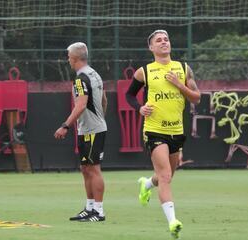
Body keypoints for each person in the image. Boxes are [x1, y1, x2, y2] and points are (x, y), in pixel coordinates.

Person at [125, 29, 201, 238]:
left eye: (166, 39)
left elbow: (196, 98)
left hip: (176, 131)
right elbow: (129, 95)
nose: (163, 42)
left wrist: (178, 84)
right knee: (165, 175)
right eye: (158, 40)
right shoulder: (145, 71)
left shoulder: (183, 68)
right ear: (151, 47)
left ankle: (146, 184)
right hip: (154, 130)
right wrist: (139, 108)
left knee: (166, 176)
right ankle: (173, 222)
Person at [54, 42, 108, 222]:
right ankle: (89, 207)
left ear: (75, 58)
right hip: (91, 128)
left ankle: (99, 211)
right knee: (85, 168)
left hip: (91, 130)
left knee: (93, 169)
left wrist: (65, 125)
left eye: (69, 56)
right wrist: (101, 119)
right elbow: (104, 100)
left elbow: (81, 105)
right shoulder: (95, 75)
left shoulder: (80, 79)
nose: (68, 60)